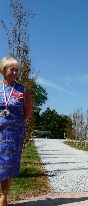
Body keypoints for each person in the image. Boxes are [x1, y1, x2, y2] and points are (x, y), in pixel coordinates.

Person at [0, 57, 32, 206]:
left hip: (14, 134)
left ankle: (4, 196)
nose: (14, 72)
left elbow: (28, 112)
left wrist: (16, 124)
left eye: (17, 70)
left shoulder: (22, 90)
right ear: (3, 70)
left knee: (9, 163)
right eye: (11, 69)